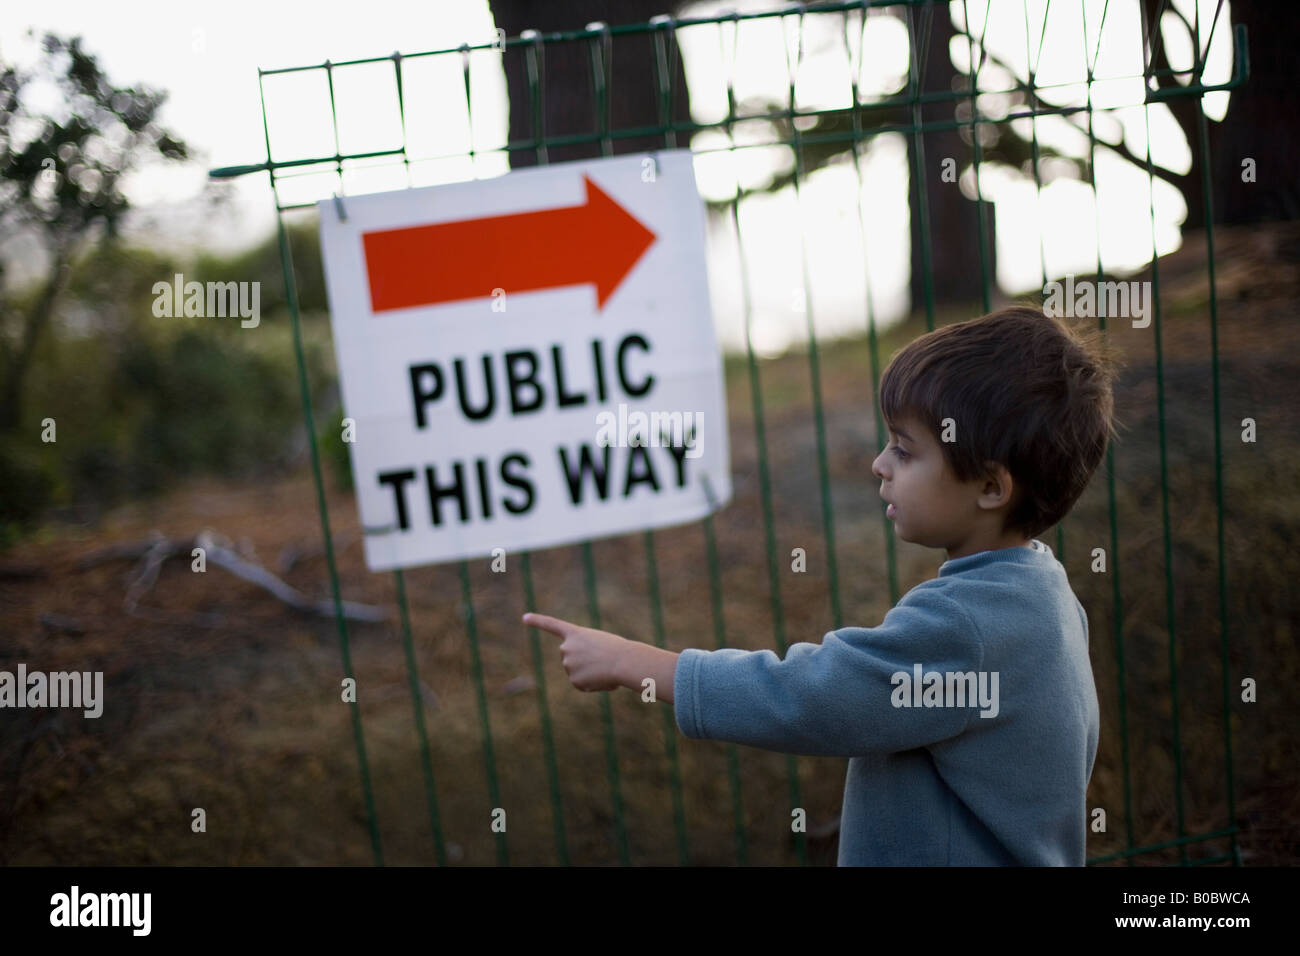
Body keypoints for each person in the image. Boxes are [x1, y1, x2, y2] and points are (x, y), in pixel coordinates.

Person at [523, 305, 1118, 865]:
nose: (880, 464)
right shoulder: (1043, 593)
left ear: (991, 487)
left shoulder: (967, 627)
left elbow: (812, 699)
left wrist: (634, 662)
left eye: (905, 452)